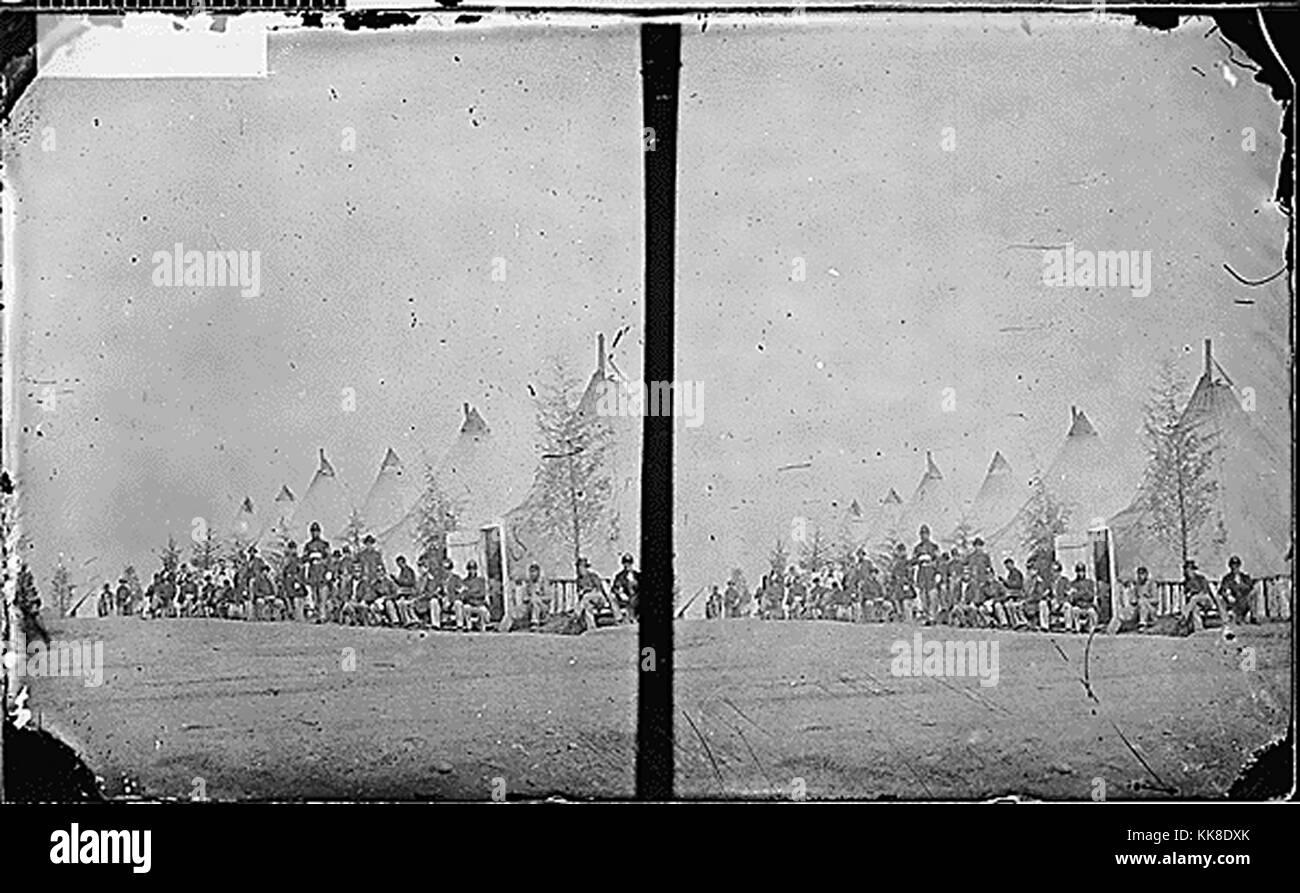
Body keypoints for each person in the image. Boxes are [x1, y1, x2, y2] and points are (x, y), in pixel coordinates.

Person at [503, 562, 549, 632]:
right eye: (531, 572)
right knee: (515, 610)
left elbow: (548, 598)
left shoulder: (543, 583)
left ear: (538, 572)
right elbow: (525, 598)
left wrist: (538, 598)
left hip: (542, 608)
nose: (532, 574)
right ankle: (503, 627)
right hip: (529, 606)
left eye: (534, 572)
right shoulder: (528, 584)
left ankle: (534, 623)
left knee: (535, 601)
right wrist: (528, 598)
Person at [302, 522, 332, 623]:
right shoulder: (308, 545)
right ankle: (316, 616)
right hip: (313, 573)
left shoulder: (325, 544)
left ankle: (323, 616)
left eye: (316, 531)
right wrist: (309, 557)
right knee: (314, 596)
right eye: (313, 532)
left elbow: (329, 558)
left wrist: (329, 571)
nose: (315, 534)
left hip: (322, 572)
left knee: (322, 596)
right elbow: (304, 558)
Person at [574, 557, 612, 633]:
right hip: (587, 602)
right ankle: (591, 628)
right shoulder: (579, 580)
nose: (580, 570)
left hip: (599, 599)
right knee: (587, 607)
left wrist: (587, 591)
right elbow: (579, 593)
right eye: (578, 567)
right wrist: (583, 592)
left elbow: (598, 589)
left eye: (582, 567)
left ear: (586, 568)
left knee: (586, 597)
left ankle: (576, 615)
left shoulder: (593, 576)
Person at [912, 525, 941, 624]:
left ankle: (932, 616)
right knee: (923, 597)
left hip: (931, 573)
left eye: (925, 534)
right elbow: (913, 561)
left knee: (932, 596)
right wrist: (919, 559)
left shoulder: (934, 547)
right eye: (922, 534)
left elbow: (938, 561)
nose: (924, 536)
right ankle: (926, 616)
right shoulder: (917, 548)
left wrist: (938, 572)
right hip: (922, 574)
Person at [1181, 559, 1219, 631]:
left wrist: (1195, 594)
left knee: (1194, 598)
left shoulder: (1201, 578)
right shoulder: (1186, 582)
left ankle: (1184, 617)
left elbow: (1204, 591)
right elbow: (1187, 594)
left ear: (1193, 570)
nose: (1187, 571)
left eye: (1189, 569)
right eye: (1186, 569)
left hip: (1206, 600)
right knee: (1195, 609)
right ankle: (1199, 628)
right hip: (1195, 603)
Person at [1219, 556, 1255, 626]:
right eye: (1233, 565)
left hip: (1245, 598)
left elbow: (1251, 588)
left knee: (1251, 598)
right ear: (1230, 566)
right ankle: (1238, 618)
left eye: (1236, 565)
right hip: (1234, 599)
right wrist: (1228, 596)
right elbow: (1222, 591)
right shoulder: (1227, 578)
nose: (1234, 567)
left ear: (1239, 566)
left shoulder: (1245, 577)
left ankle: (1251, 617)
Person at [458, 560, 492, 632]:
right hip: (470, 603)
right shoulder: (465, 581)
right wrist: (474, 592)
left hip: (479, 603)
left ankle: (481, 625)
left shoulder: (480, 580)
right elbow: (464, 595)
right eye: (470, 569)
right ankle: (469, 626)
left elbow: (482, 594)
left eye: (473, 569)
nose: (472, 571)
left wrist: (469, 592)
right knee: (466, 608)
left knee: (483, 610)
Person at [1066, 563, 1098, 633]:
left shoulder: (1089, 583)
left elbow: (1091, 596)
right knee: (1075, 610)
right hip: (1078, 605)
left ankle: (1091, 629)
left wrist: (1079, 593)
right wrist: (1084, 593)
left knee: (1092, 612)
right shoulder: (1073, 583)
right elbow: (1073, 598)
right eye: (1079, 572)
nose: (1081, 573)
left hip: (1088, 605)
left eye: (1082, 571)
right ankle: (1078, 629)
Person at [391, 555, 419, 627]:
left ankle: (407, 620)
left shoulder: (409, 571)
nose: (399, 566)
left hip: (409, 591)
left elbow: (409, 582)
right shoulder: (402, 571)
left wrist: (397, 580)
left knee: (401, 603)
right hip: (404, 591)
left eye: (400, 564)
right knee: (399, 602)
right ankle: (405, 620)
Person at [611, 554, 639, 621]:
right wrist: (620, 593)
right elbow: (615, 588)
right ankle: (629, 618)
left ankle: (634, 617)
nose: (627, 565)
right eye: (625, 563)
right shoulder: (620, 576)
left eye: (629, 563)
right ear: (623, 564)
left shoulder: (637, 575)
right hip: (626, 597)